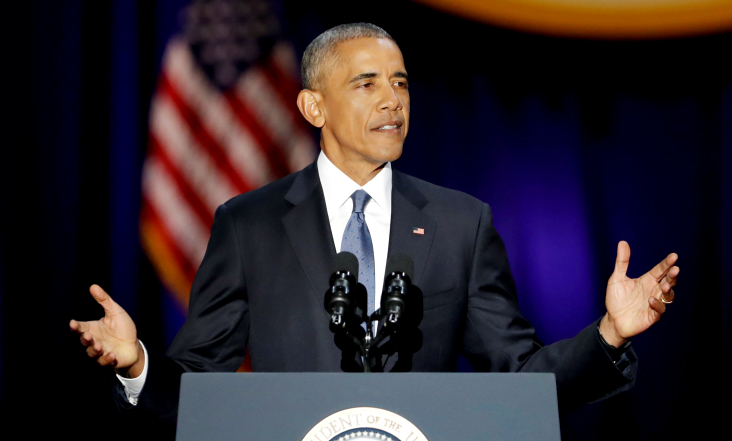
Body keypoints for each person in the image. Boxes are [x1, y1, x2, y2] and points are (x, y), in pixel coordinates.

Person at [70, 23, 679, 419]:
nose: (393, 100)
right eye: (366, 84)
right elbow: (199, 385)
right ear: (314, 106)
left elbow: (521, 380)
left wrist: (610, 334)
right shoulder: (248, 225)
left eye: (401, 83)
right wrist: (138, 362)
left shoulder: (461, 223)